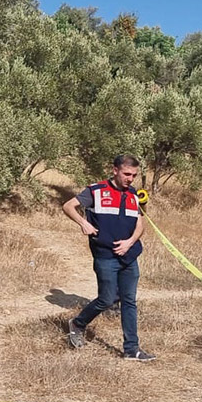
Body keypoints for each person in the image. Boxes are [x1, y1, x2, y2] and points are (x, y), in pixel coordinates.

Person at [61, 154, 154, 360]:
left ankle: (132, 349)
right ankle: (78, 323)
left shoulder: (134, 195)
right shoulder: (96, 190)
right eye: (126, 174)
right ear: (115, 170)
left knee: (129, 301)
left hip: (129, 255)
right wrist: (83, 223)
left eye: (134, 175)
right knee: (107, 298)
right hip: (105, 255)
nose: (130, 179)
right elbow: (68, 206)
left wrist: (130, 242)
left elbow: (140, 223)